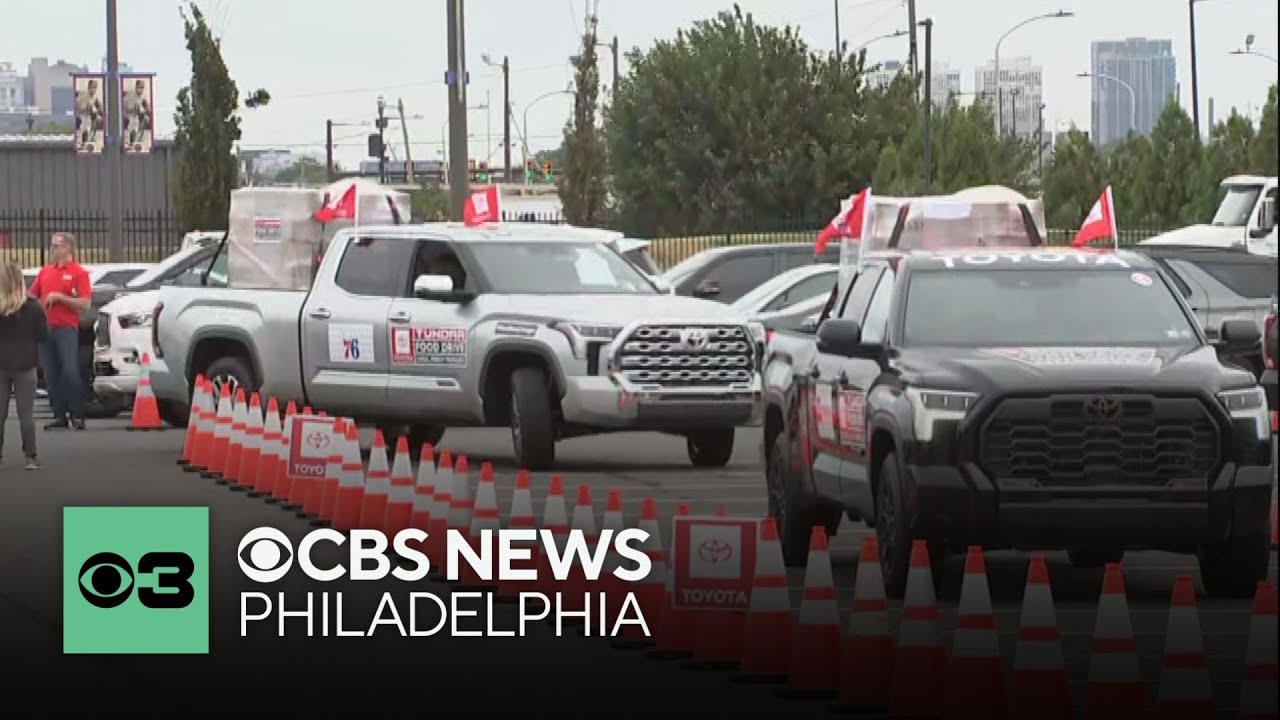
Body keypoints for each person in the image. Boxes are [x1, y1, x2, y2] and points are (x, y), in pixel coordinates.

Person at [28, 232, 92, 430]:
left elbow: (85, 303)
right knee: (51, 373)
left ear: (67, 248)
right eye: (52, 246)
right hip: (46, 329)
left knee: (70, 371)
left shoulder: (78, 273)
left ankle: (77, 414)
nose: (52, 249)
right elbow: (32, 295)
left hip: (66, 328)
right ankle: (59, 415)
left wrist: (61, 298)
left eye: (56, 246)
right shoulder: (46, 271)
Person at [0, 261, 48, 469]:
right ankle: (30, 457)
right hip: (26, 364)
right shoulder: (33, 307)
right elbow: (42, 335)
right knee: (26, 414)